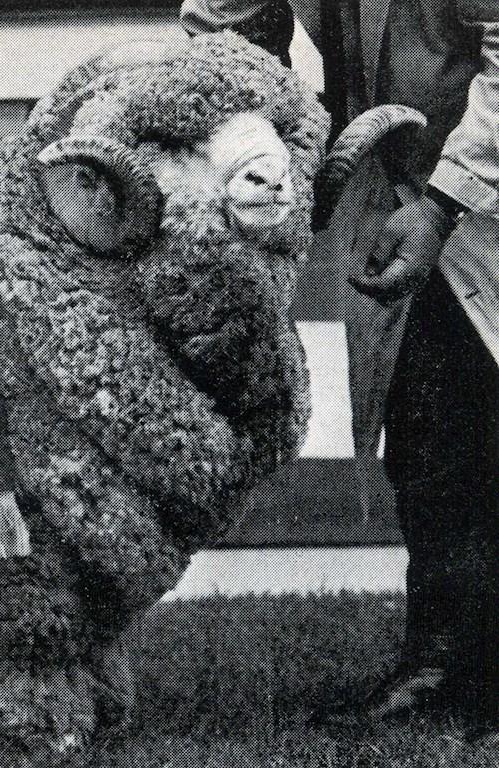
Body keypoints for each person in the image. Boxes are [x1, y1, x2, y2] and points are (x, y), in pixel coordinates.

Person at [181, 0, 497, 741]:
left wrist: (445, 203)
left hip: (474, 183)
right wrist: (259, 127)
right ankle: (444, 665)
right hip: (408, 184)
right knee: (431, 432)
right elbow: (227, 21)